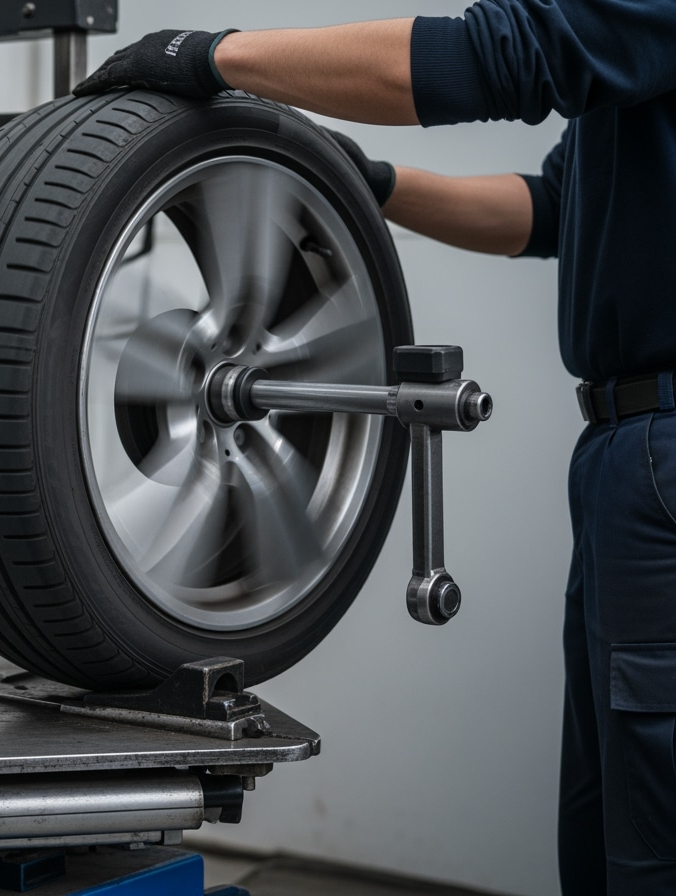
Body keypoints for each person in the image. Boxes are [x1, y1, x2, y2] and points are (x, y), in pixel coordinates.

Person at [75, 6, 676, 894]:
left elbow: (495, 57)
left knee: (654, 843)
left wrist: (211, 57)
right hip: (627, 454)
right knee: (607, 828)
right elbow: (550, 211)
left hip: (660, 452)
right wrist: (376, 184)